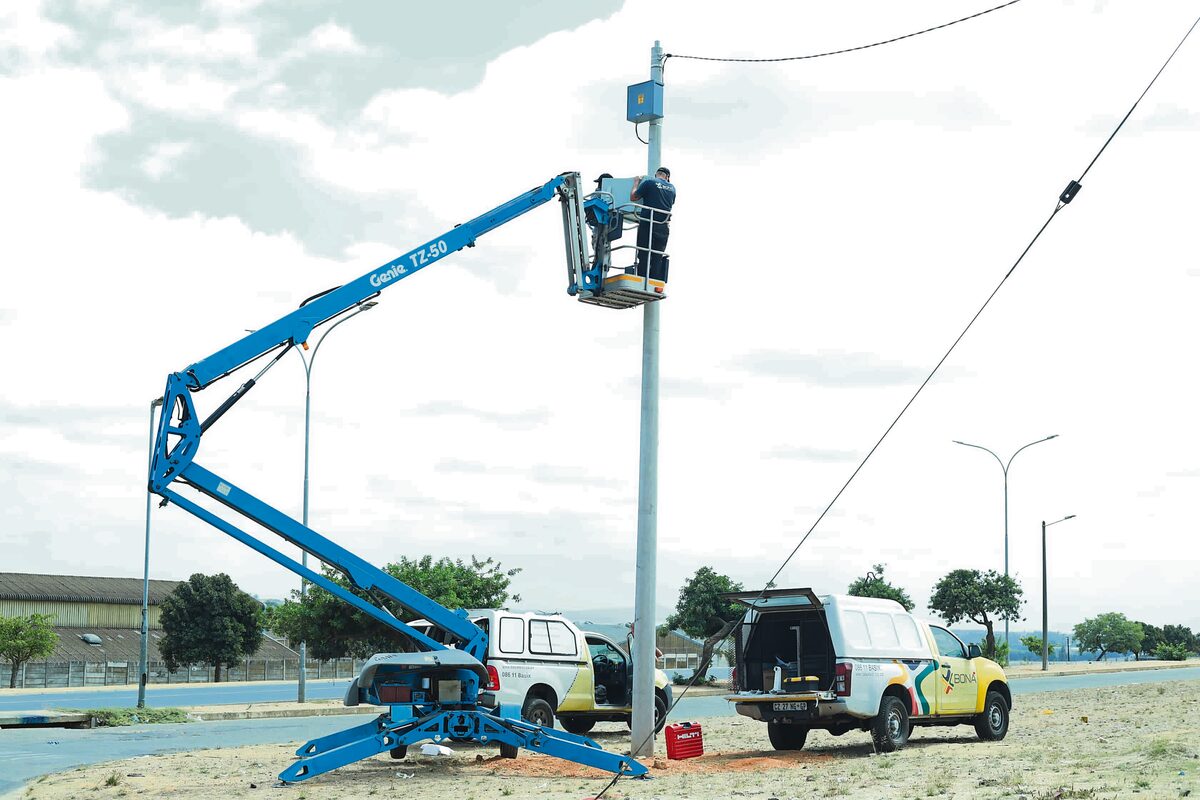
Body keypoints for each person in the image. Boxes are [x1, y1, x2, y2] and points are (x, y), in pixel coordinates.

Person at [630, 167, 675, 281]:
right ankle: (654, 282)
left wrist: (636, 183)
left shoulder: (649, 182)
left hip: (647, 222)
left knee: (644, 254)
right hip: (663, 226)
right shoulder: (672, 188)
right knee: (657, 256)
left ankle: (641, 280)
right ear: (667, 177)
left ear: (656, 175)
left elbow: (633, 197)